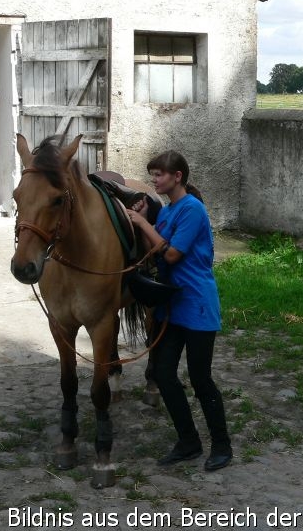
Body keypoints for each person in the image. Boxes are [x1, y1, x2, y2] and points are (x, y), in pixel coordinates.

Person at [127, 150, 232, 472]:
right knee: (163, 373)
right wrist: (147, 222)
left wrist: (144, 223)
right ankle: (188, 441)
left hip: (197, 304)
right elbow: (153, 251)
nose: (155, 180)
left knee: (200, 379)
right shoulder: (170, 211)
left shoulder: (192, 210)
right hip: (171, 306)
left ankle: (222, 445)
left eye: (160, 174)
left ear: (178, 177)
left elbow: (171, 255)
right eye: (153, 174)